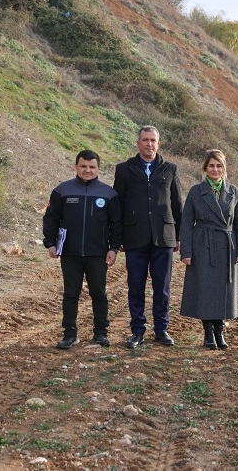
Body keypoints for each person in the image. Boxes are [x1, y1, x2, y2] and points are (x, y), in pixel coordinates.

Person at [42, 150, 122, 349]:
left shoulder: (109, 194)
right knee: (71, 293)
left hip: (98, 253)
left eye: (92, 167)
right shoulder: (62, 190)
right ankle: (70, 334)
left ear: (98, 168)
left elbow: (116, 224)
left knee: (99, 293)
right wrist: (50, 243)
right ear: (76, 167)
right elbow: (51, 218)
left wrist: (113, 249)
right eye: (83, 166)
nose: (87, 170)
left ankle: (101, 333)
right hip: (70, 253)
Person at [113, 125, 183, 348]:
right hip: (134, 236)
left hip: (164, 236)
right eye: (145, 140)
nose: (149, 144)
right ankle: (137, 331)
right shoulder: (124, 169)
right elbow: (118, 205)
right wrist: (118, 237)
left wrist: (179, 236)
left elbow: (177, 204)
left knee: (162, 286)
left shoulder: (170, 169)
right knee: (136, 285)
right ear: (138, 143)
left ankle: (161, 329)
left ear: (158, 144)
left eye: (153, 140)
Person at [179, 150, 238, 350]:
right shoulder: (196, 191)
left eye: (219, 166)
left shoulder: (233, 191)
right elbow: (186, 222)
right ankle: (208, 332)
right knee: (205, 289)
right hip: (203, 245)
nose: (215, 170)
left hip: (227, 246)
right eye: (211, 166)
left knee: (224, 289)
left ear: (224, 168)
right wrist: (186, 252)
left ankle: (219, 331)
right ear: (205, 168)